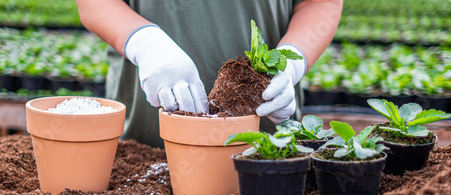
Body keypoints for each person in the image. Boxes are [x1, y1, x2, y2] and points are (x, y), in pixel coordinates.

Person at [75, 0, 343, 147]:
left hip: (266, 150)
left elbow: (321, 2)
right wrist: (143, 42)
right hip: (143, 146)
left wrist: (291, 61)